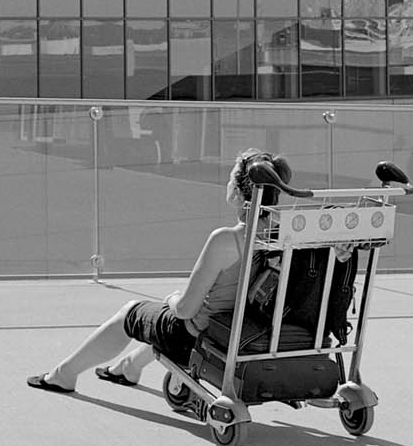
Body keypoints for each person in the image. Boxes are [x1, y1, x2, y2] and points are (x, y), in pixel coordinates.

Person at [27, 149, 288, 394]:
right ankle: (129, 367)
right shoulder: (286, 236)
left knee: (132, 312)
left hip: (200, 339)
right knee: (163, 318)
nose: (228, 184)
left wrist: (172, 299)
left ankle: (64, 375)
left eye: (231, 179)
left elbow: (185, 311)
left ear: (239, 194)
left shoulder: (226, 240)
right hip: (252, 334)